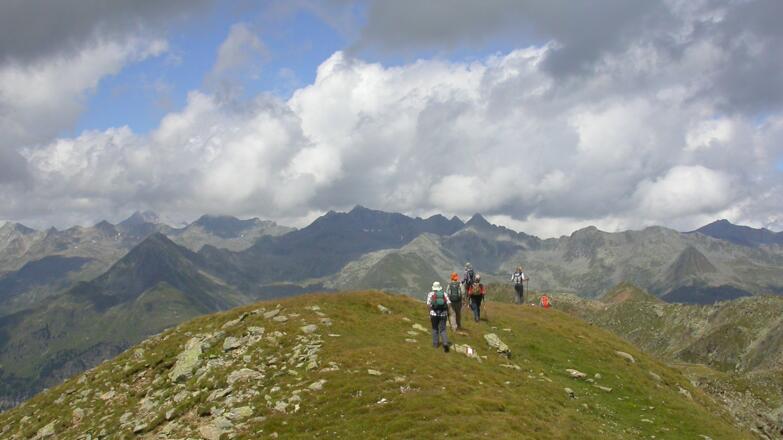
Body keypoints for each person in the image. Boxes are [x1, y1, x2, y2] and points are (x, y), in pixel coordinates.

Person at [426, 281, 451, 352]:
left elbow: (428, 304)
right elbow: (449, 303)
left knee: (435, 329)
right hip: (443, 314)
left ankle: (435, 344)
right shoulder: (444, 294)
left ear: (434, 288)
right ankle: (445, 344)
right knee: (443, 330)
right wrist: (447, 312)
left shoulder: (430, 294)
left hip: (433, 314)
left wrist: (430, 313)